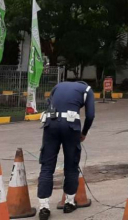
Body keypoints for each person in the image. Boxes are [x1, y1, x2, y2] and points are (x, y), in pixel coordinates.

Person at [37, 81, 95, 220]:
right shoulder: (87, 89)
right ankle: (69, 203)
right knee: (71, 164)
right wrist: (84, 132)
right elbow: (90, 115)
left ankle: (44, 207)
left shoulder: (58, 86)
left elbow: (49, 104)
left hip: (51, 124)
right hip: (71, 127)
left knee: (47, 166)